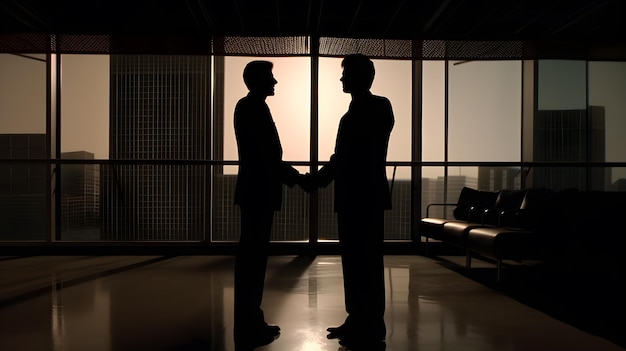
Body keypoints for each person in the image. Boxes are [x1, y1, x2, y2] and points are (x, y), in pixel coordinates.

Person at [310, 54, 394, 348]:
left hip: (362, 197)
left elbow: (347, 158)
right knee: (357, 262)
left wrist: (315, 181)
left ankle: (368, 322)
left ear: (361, 77)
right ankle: (359, 318)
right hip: (359, 196)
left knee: (364, 262)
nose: (341, 78)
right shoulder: (369, 109)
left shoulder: (371, 109)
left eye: (346, 73)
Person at [232, 60, 306, 349]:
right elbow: (267, 157)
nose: (275, 83)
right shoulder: (254, 108)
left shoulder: (249, 106)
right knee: (253, 260)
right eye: (271, 78)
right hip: (258, 192)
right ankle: (250, 325)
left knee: (253, 260)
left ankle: (252, 320)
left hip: (255, 191)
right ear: (258, 80)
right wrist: (298, 178)